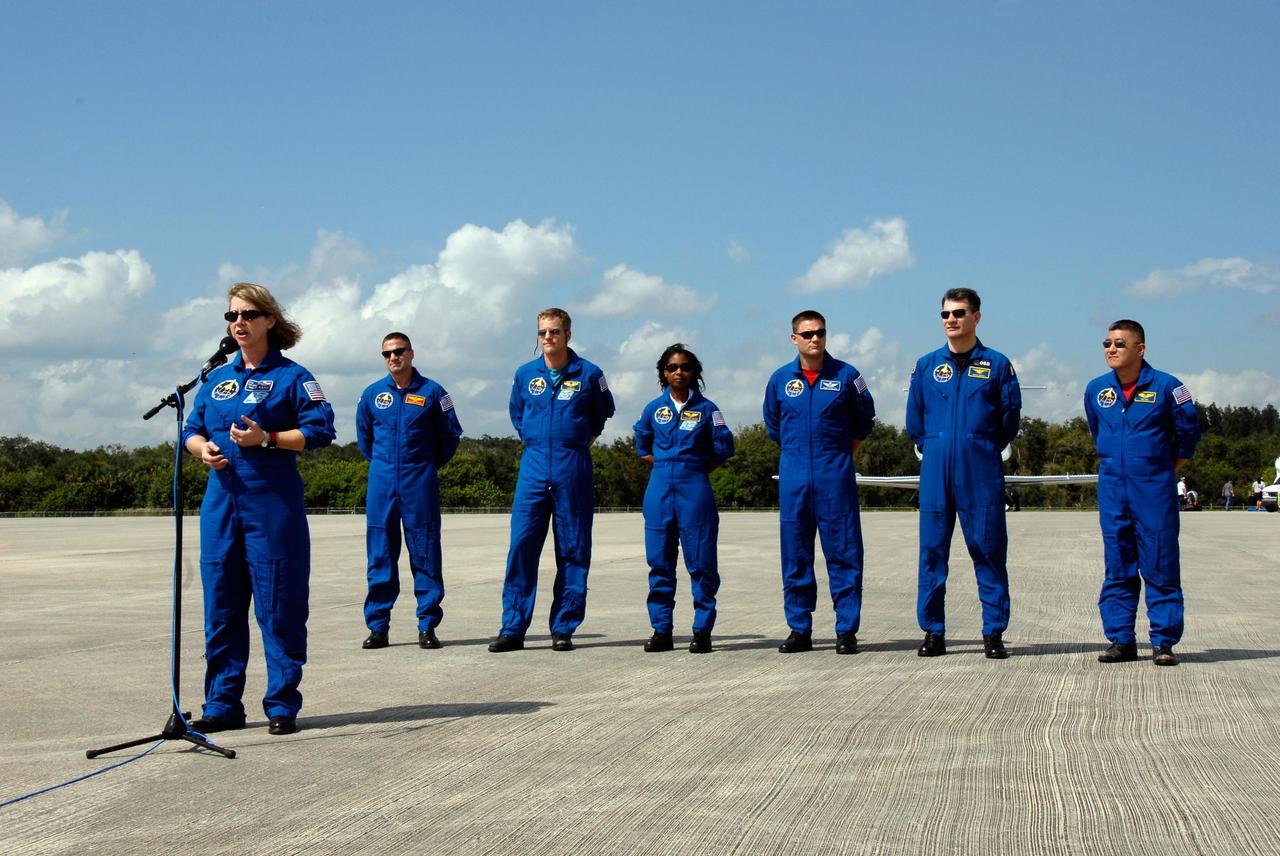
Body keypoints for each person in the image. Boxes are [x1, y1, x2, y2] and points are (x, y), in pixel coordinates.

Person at [182, 282, 336, 735]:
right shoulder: (215, 379)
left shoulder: (294, 376)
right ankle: (223, 703)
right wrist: (201, 449)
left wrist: (266, 438)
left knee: (279, 606)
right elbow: (190, 428)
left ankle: (282, 703)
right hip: (221, 506)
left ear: (270, 319)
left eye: (247, 314)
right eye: (231, 316)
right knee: (222, 608)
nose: (238, 323)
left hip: (272, 505)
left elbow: (321, 430)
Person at [489, 308, 615, 653]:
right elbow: (518, 415)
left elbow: (602, 413)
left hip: (571, 465)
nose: (548, 338)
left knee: (573, 548)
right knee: (521, 548)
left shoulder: (589, 374)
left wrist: (574, 442)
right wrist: (538, 440)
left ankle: (564, 626)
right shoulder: (524, 374)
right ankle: (513, 628)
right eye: (543, 332)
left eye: (555, 332)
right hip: (533, 466)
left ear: (568, 335)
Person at [906, 288, 1022, 659]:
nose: (951, 320)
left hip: (980, 466)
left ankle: (993, 633)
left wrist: (982, 445)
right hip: (936, 466)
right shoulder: (926, 365)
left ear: (976, 317)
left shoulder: (998, 364)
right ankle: (933, 632)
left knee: (988, 550)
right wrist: (935, 444)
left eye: (959, 313)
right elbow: (915, 417)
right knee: (932, 553)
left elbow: (1009, 418)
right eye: (945, 314)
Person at [1084, 320, 1201, 666]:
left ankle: (1163, 642)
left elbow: (1188, 436)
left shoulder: (1169, 387)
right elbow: (1097, 431)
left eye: (1120, 343)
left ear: (1140, 349)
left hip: (1153, 489)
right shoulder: (1096, 390)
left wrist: (1162, 470)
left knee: (1160, 563)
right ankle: (1121, 639)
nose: (1111, 349)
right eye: (1107, 343)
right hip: (1113, 489)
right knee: (1118, 565)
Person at [763, 310, 875, 654]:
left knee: (843, 552)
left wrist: (838, 454)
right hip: (795, 476)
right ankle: (800, 628)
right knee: (795, 554)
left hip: (834, 476)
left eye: (820, 333)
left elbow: (864, 421)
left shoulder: (847, 376)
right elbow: (773, 426)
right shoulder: (781, 380)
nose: (815, 339)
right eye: (808, 334)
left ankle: (846, 630)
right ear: (794, 338)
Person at [356, 332, 463, 651]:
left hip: (420, 480)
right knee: (380, 554)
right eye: (387, 353)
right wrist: (385, 466)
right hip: (382, 480)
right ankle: (378, 628)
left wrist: (426, 465)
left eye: (399, 351)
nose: (393, 358)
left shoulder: (433, 392)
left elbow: (450, 437)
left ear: (411, 353)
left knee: (425, 551)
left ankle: (427, 625)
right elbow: (364, 439)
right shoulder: (372, 394)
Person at [634, 344, 735, 654]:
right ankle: (661, 630)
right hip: (659, 490)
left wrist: (693, 469)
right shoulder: (654, 409)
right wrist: (666, 466)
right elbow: (642, 444)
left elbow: (723, 447)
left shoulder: (708, 409)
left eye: (685, 367)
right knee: (659, 563)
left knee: (702, 563)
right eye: (672, 367)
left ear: (695, 373)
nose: (679, 372)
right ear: (664, 373)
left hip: (695, 491)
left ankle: (702, 630)